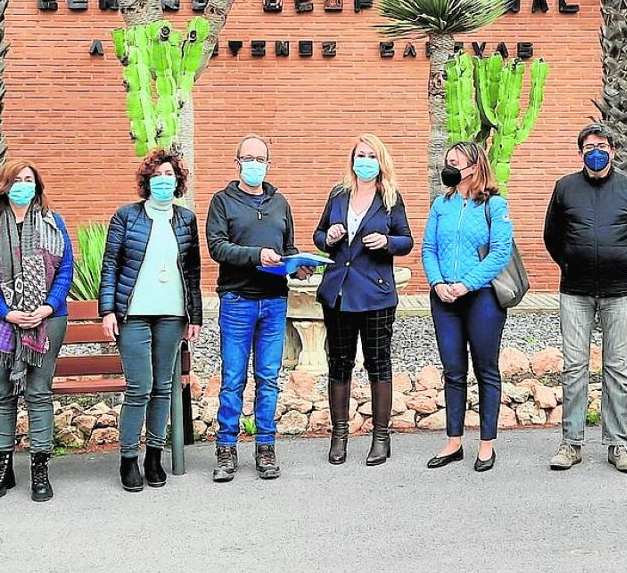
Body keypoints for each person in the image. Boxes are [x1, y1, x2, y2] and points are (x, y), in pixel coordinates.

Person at [543, 123, 627, 474]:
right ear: (581, 153)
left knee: (617, 369)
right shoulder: (565, 188)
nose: (596, 152)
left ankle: (618, 444)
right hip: (575, 291)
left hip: (620, 291)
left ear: (613, 151)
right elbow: (552, 236)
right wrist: (569, 263)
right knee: (574, 368)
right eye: (590, 147)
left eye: (602, 146)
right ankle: (571, 443)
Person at [206, 134, 310, 483]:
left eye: (260, 159)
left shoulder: (280, 202)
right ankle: (226, 448)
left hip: (274, 301)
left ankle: (266, 446)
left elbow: (287, 246)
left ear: (269, 163)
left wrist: (298, 265)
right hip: (237, 300)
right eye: (247, 158)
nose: (254, 164)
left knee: (268, 378)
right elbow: (218, 247)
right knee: (233, 379)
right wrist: (256, 256)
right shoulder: (222, 201)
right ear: (237, 163)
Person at [0, 160, 75, 502]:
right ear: (3, 186)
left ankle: (40, 470)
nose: (23, 185)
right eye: (17, 180)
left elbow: (65, 270)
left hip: (47, 318)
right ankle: (2, 469)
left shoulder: (53, 223)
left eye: (29, 180)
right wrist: (8, 312)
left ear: (37, 187)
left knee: (39, 392)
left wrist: (47, 306)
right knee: (3, 392)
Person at [99, 148, 202, 493]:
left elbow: (192, 271)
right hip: (133, 314)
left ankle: (154, 456)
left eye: (169, 175)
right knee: (139, 387)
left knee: (162, 387)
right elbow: (110, 265)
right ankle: (128, 457)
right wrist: (108, 310)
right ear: (147, 181)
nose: (163, 181)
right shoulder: (126, 216)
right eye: (156, 175)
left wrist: (195, 316)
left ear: (178, 181)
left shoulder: (186, 219)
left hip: (172, 314)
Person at [312, 134, 414, 466]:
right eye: (360, 155)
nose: (365, 161)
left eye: (371, 155)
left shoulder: (391, 198)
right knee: (339, 363)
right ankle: (339, 436)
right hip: (339, 293)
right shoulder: (338, 194)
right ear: (352, 159)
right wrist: (328, 237)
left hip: (375, 294)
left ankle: (381, 437)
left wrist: (386, 242)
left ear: (380, 161)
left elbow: (406, 241)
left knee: (378, 363)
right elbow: (319, 235)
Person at [422, 140, 513, 473]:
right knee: (453, 371)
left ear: (474, 167)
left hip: (482, 298)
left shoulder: (495, 205)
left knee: (486, 369)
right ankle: (454, 441)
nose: (448, 168)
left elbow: (500, 253)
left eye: (455, 162)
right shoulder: (440, 204)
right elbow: (428, 248)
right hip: (444, 299)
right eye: (447, 161)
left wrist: (466, 284)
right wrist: (437, 283)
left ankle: (486, 444)